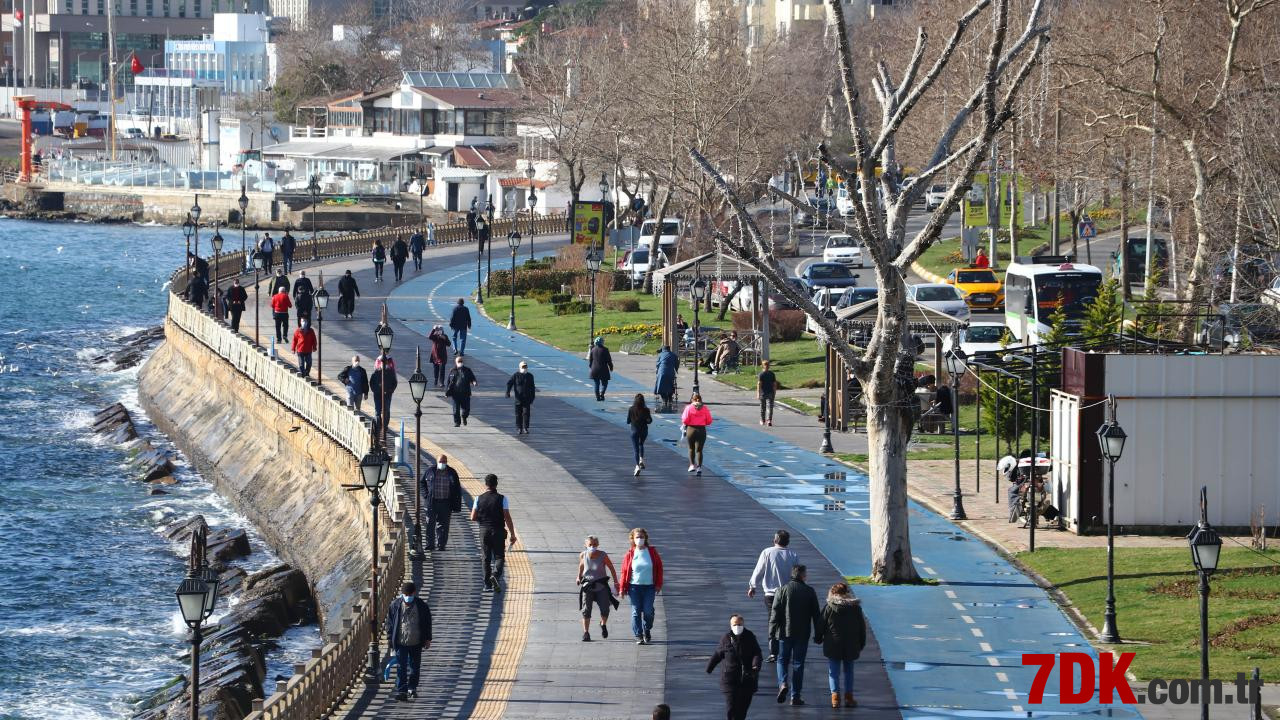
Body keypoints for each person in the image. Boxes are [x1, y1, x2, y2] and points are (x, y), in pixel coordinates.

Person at [770, 565, 824, 706]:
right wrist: (819, 635)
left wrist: (771, 634)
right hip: (802, 634)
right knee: (798, 663)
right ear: (803, 576)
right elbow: (816, 616)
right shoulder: (809, 591)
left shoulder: (782, 590)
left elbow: (775, 614)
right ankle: (795, 696)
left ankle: (783, 683)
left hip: (784, 633)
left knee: (782, 660)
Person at [748, 530, 799, 664]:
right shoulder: (793, 554)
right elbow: (797, 576)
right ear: (787, 542)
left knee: (773, 621)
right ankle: (787, 650)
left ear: (775, 540)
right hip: (789, 593)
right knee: (788, 621)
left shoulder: (767, 552)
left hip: (771, 594)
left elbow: (759, 570)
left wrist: (752, 586)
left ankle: (774, 653)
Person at [707, 614, 764, 720]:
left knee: (742, 709)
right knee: (731, 708)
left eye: (739, 624)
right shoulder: (726, 638)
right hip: (730, 679)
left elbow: (757, 653)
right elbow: (718, 654)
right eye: (735, 624)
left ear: (743, 624)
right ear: (730, 625)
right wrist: (709, 667)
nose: (737, 626)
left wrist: (755, 665)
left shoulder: (750, 636)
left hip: (747, 679)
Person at [821, 582, 867, 709]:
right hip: (851, 644)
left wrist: (819, 638)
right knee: (849, 671)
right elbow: (861, 628)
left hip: (833, 644)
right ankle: (849, 697)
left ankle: (835, 697)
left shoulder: (829, 607)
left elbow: (821, 625)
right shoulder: (855, 608)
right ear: (847, 593)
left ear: (833, 593)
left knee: (833, 672)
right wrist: (861, 642)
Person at [384, 581, 432, 702]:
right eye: (406, 594)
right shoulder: (395, 605)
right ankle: (402, 691)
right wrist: (390, 639)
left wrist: (428, 639)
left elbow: (427, 623)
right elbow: (389, 624)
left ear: (414, 593)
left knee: (415, 667)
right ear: (402, 594)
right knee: (401, 667)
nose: (408, 597)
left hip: (416, 642)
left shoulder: (421, 606)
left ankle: (412, 688)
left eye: (410, 594)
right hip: (401, 643)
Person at [469, 473, 518, 591]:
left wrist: (483, 519)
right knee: (499, 556)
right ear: (496, 484)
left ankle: (487, 585)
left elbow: (472, 517)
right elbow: (507, 517)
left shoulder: (478, 498)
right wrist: (512, 534)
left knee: (486, 558)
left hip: (484, 531)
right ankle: (495, 575)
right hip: (498, 531)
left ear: (485, 484)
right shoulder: (502, 498)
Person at [619, 527, 663, 645]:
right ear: (632, 539)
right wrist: (622, 588)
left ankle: (647, 628)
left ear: (645, 538)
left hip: (649, 587)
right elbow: (624, 571)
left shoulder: (652, 552)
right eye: (637, 537)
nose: (639, 539)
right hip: (634, 587)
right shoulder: (630, 554)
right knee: (636, 611)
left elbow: (659, 568)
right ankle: (638, 634)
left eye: (641, 537)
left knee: (648, 611)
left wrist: (658, 584)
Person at [577, 535, 619, 642]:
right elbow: (581, 566)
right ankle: (586, 633)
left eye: (594, 544)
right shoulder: (583, 555)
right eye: (590, 544)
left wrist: (615, 582)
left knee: (605, 609)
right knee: (586, 610)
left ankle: (603, 623)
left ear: (598, 545)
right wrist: (579, 576)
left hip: (601, 586)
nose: (592, 546)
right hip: (588, 586)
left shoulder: (603, 555)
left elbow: (611, 568)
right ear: (586, 545)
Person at [421, 454, 462, 550]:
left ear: (446, 462)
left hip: (446, 502)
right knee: (430, 523)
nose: (442, 463)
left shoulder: (452, 472)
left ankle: (441, 544)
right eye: (440, 461)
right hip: (432, 502)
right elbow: (422, 483)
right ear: (437, 461)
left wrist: (456, 503)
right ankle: (430, 544)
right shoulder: (430, 471)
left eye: (444, 462)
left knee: (443, 524)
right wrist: (426, 495)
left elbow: (457, 488)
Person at [681, 393, 713, 475]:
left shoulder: (688, 408)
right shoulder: (705, 408)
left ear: (692, 400)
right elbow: (709, 421)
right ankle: (699, 467)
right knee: (699, 450)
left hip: (691, 429)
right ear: (700, 400)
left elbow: (685, 420)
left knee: (691, 448)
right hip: (701, 430)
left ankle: (692, 465)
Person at [445, 355, 477, 427]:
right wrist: (447, 392)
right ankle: (457, 422)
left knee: (466, 409)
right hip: (455, 394)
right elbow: (448, 382)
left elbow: (472, 378)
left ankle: (464, 417)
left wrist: (474, 382)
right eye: (458, 361)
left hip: (465, 393)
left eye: (461, 361)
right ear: (455, 362)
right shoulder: (452, 371)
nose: (460, 362)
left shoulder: (467, 370)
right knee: (456, 409)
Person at [505, 361, 536, 434]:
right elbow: (509, 383)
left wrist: (533, 397)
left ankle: (525, 428)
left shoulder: (530, 376)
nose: (524, 368)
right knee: (518, 414)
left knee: (526, 413)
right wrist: (507, 392)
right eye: (523, 367)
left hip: (527, 398)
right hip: (518, 399)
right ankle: (519, 428)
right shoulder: (515, 375)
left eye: (525, 367)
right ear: (520, 367)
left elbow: (532, 387)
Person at [371, 351, 398, 436]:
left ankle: (385, 427)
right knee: (377, 411)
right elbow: (371, 382)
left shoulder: (390, 372)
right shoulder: (376, 372)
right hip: (378, 394)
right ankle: (378, 427)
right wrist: (375, 390)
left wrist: (390, 390)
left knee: (386, 411)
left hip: (387, 394)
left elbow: (395, 382)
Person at [627, 394, 652, 476]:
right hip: (644, 430)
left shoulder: (631, 409)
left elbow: (628, 421)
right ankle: (641, 459)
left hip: (634, 430)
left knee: (635, 449)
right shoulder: (646, 410)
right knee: (641, 444)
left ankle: (637, 466)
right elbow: (649, 421)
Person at [588, 337, 613, 401]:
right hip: (603, 369)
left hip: (594, 370)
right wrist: (611, 367)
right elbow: (609, 360)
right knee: (605, 383)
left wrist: (591, 367)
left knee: (596, 383)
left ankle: (597, 397)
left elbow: (590, 360)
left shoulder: (593, 349)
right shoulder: (605, 349)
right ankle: (602, 393)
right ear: (602, 342)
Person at [654, 345, 678, 411]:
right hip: (670, 372)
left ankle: (664, 398)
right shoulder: (674, 355)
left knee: (660, 385)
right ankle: (670, 397)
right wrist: (676, 369)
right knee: (670, 384)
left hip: (662, 372)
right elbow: (676, 364)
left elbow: (657, 364)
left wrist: (657, 371)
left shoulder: (660, 355)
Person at [757, 359, 778, 427]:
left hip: (763, 392)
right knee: (770, 407)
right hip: (770, 392)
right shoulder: (772, 374)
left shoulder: (761, 374)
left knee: (763, 407)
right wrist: (774, 392)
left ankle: (763, 420)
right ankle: (769, 420)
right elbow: (774, 384)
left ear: (762, 366)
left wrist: (758, 393)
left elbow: (759, 384)